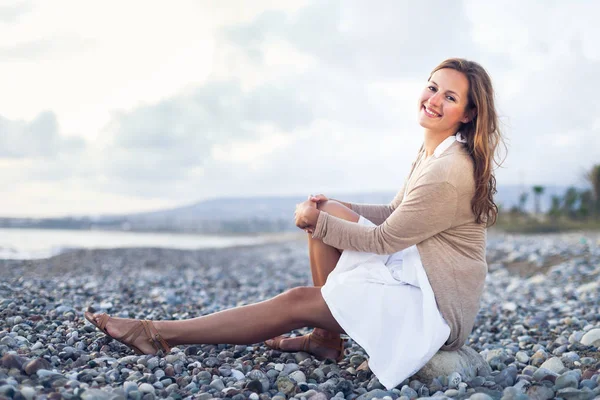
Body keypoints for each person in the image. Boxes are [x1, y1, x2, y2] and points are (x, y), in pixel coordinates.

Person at [84, 57, 504, 389]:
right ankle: (325, 339)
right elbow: (396, 212)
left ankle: (157, 334)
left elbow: (386, 238)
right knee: (331, 214)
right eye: (432, 88)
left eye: (450, 97)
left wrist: (314, 222)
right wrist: (329, 208)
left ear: (468, 114)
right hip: (417, 277)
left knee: (297, 300)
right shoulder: (436, 151)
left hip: (433, 310)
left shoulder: (449, 168)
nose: (434, 100)